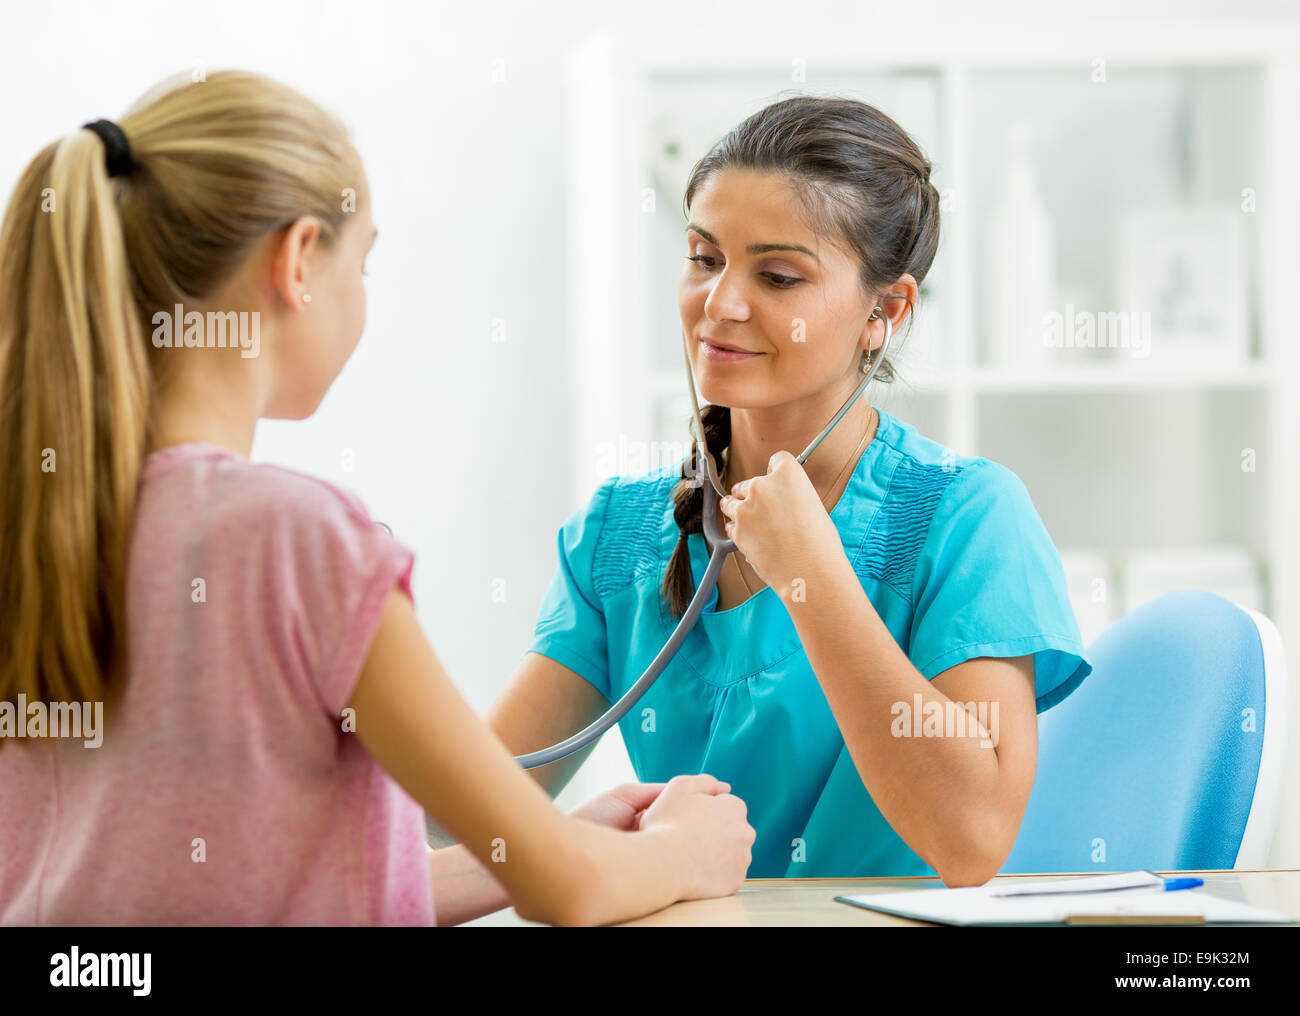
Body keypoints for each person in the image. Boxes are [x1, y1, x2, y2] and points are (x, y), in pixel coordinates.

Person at [0, 69, 754, 927]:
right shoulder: (294, 538)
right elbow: (571, 892)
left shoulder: (31, 520)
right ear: (295, 261)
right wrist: (678, 853)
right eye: (362, 262)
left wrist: (540, 849)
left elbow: (255, 893)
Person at [488, 95, 1093, 884]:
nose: (721, 304)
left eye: (777, 275)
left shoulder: (966, 517)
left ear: (885, 311)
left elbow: (972, 838)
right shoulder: (618, 533)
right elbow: (464, 810)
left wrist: (812, 577)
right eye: (705, 259)